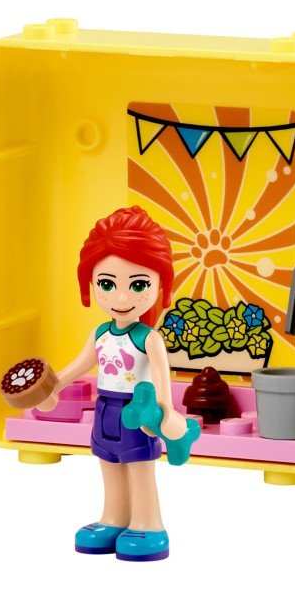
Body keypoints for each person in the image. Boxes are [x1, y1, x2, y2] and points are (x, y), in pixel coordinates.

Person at [29, 207, 198, 561]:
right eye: (107, 284)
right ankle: (114, 518)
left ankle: (149, 524)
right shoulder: (100, 334)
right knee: (108, 464)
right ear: (91, 284)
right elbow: (79, 365)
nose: (122, 298)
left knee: (140, 469)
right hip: (105, 409)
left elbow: (162, 381)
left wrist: (166, 413)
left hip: (138, 410)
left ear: (160, 285)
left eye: (138, 285)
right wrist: (53, 387)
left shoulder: (149, 339)